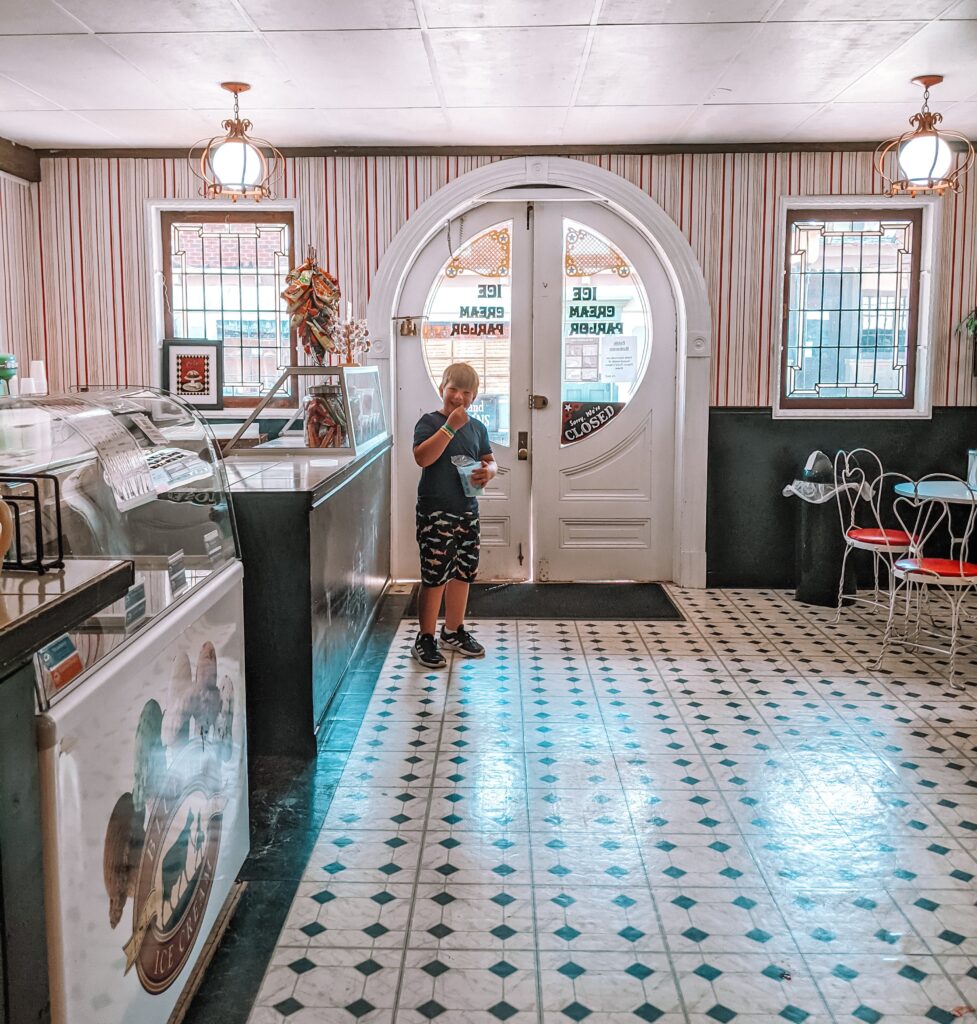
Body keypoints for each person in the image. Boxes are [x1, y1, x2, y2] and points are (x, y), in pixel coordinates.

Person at [411, 362, 497, 668]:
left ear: (474, 397)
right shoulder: (430, 422)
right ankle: (425, 637)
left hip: (467, 512)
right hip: (435, 512)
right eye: (453, 389)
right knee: (435, 576)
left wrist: (489, 472)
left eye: (466, 392)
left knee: (464, 572)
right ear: (441, 389)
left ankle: (453, 629)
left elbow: (489, 460)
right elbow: (423, 457)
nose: (458, 396)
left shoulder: (478, 428)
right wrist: (450, 427)